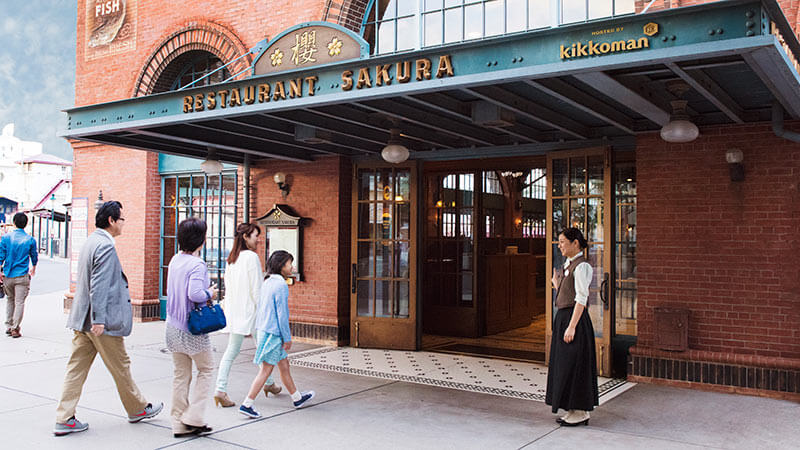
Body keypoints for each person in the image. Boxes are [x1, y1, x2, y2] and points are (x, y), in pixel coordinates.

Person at [54, 201, 163, 436]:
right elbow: (99, 285)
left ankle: (64, 417)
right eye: (121, 219)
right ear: (112, 221)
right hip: (97, 322)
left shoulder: (90, 242)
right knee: (121, 365)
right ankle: (138, 408)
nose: (123, 224)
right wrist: (99, 319)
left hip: (81, 319)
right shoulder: (105, 246)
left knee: (76, 368)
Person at [239, 250, 314, 418]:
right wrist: (287, 338)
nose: (292, 267)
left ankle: (297, 398)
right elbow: (282, 314)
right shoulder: (280, 285)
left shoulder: (267, 282)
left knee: (284, 366)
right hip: (273, 334)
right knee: (266, 370)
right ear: (281, 266)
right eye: (289, 264)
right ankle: (247, 404)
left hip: (264, 330)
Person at [214, 222, 281, 408]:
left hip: (235, 312)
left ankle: (221, 389)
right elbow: (257, 290)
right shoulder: (251, 257)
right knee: (265, 351)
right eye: (255, 235)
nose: (258, 240)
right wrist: (265, 312)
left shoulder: (231, 259)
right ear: (245, 237)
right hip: (252, 313)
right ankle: (269, 383)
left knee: (232, 351)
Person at [165, 217, 217, 438]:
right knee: (206, 369)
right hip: (191, 329)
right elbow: (195, 294)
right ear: (201, 240)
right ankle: (193, 417)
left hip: (172, 327)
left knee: (181, 375)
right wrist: (210, 294)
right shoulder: (197, 264)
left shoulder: (175, 259)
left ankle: (178, 422)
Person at [545, 227, 599, 426]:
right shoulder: (569, 265)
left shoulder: (582, 266)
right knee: (564, 365)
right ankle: (572, 409)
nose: (559, 245)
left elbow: (581, 298)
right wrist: (557, 285)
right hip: (565, 318)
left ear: (575, 243)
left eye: (562, 242)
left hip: (574, 320)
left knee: (574, 365)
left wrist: (572, 326)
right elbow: (569, 295)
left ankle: (581, 411)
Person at [0, 212, 38, 338]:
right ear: (26, 224)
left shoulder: (6, 238)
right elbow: (34, 256)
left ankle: (9, 326)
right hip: (22, 275)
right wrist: (33, 267)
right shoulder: (30, 239)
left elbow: (1, 256)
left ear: (14, 223)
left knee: (10, 300)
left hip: (8, 275)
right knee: (19, 302)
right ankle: (15, 328)